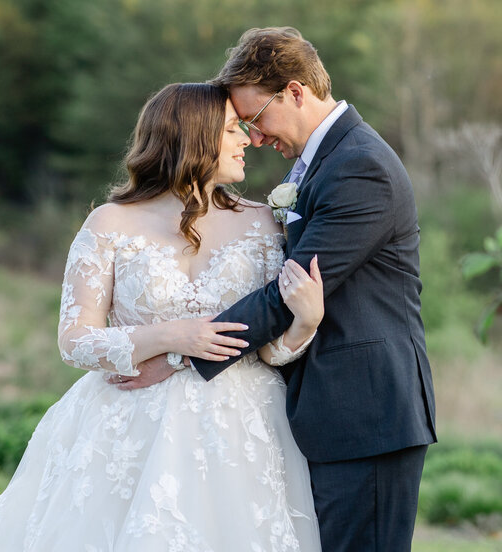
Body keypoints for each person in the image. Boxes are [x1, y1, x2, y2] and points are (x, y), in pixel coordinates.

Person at [115, 29, 437, 552]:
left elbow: (284, 295)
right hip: (329, 412)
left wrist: (178, 354)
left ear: (294, 92)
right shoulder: (329, 161)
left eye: (255, 118)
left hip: (367, 412)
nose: (256, 138)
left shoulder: (361, 168)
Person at [0, 82, 325, 552]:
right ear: (192, 138)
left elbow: (266, 348)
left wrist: (305, 324)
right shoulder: (109, 223)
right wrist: (169, 335)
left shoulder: (264, 222)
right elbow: (74, 339)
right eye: (231, 130)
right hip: (127, 431)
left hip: (240, 432)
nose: (248, 140)